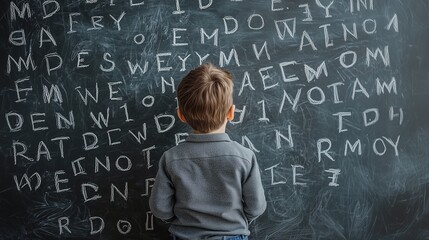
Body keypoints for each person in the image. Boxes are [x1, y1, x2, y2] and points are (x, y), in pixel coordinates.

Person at [149, 63, 267, 240]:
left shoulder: (171, 158)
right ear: (231, 112)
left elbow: (160, 207)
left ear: (181, 115)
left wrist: (183, 222)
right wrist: (235, 223)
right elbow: (256, 206)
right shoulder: (244, 157)